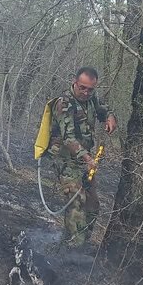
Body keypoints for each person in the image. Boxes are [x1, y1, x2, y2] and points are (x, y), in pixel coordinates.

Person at [47, 67, 117, 248]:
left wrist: (110, 117)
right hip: (65, 159)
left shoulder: (91, 98)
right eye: (82, 88)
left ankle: (79, 243)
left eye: (90, 89)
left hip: (84, 160)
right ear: (74, 82)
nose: (86, 92)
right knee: (76, 202)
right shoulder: (64, 103)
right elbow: (68, 138)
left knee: (93, 205)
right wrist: (88, 159)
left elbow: (103, 110)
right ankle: (71, 251)